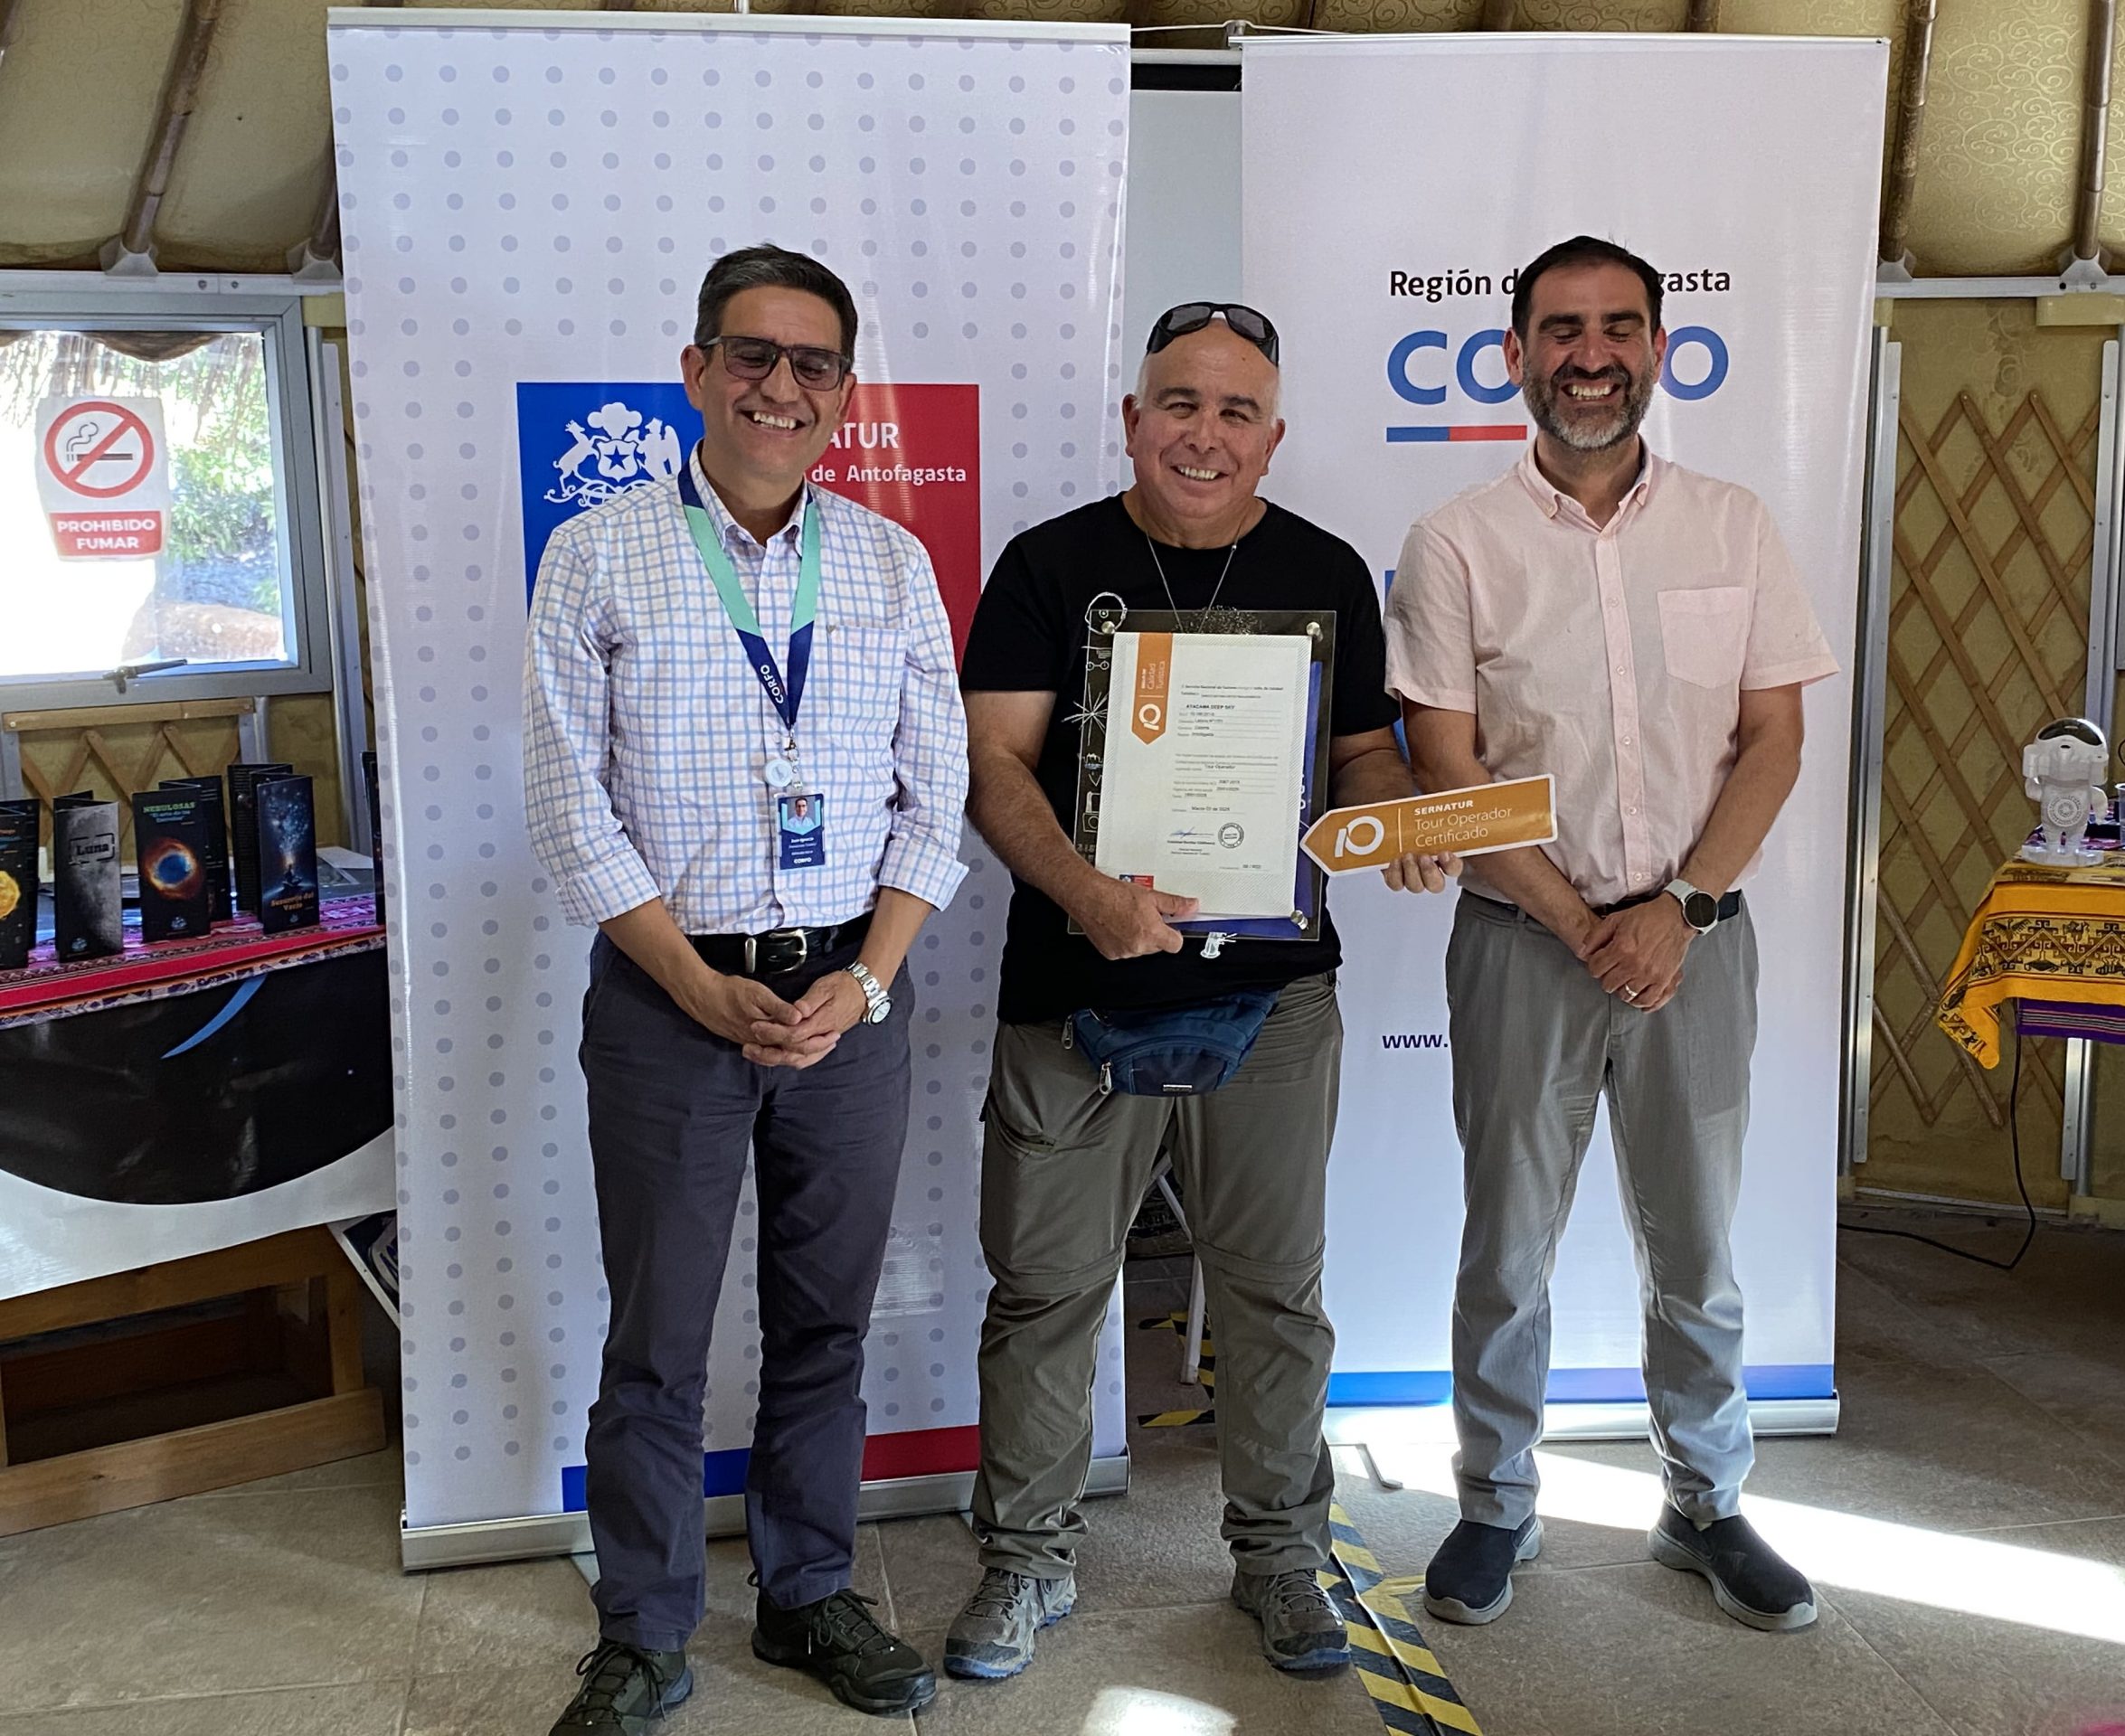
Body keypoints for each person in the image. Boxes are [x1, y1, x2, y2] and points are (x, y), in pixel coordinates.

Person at [946, 301, 1456, 1680]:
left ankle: (1282, 1560)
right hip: (1075, 994)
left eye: (1237, 412)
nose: (1205, 434)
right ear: (1134, 420)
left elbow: (1360, 755)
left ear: (1272, 437)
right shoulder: (1049, 566)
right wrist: (1088, 895)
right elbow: (995, 766)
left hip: (1274, 1004)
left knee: (1275, 1298)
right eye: (1180, 403)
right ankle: (1027, 1561)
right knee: (1046, 1295)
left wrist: (1396, 822)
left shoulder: (1326, 570)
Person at [524, 243, 966, 1731]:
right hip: (670, 1002)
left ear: (843, 389)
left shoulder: (890, 565)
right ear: (699, 370)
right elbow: (569, 805)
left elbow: (936, 796)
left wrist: (870, 981)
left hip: (849, 1001)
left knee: (823, 1326)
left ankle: (807, 1594)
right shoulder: (597, 555)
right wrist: (692, 984)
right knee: (656, 1342)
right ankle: (645, 1634)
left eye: (813, 363)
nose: (783, 386)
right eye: (753, 355)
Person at [1385, 235, 1838, 1635]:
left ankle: (1705, 1501)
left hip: (1699, 941)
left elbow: (1774, 740)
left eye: (1620, 328)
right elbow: (1447, 766)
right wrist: (1588, 923)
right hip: (1523, 941)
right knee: (1506, 1247)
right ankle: (1494, 1503)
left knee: (1696, 1245)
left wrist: (1678, 910)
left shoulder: (1734, 525)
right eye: (1563, 330)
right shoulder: (1457, 541)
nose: (1592, 355)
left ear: (1660, 349)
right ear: (1514, 354)